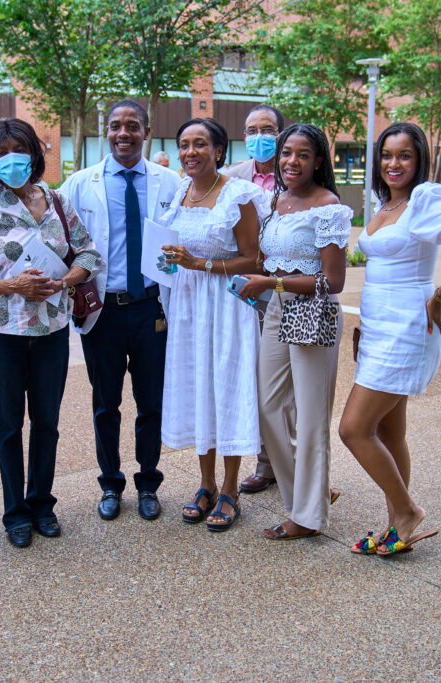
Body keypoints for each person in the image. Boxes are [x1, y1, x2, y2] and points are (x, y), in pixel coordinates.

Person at [338, 122, 441, 555]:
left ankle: (406, 511)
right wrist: (365, 328)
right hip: (378, 327)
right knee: (389, 431)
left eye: (404, 155)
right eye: (386, 155)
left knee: (353, 429)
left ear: (419, 158)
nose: (393, 163)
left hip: (407, 327)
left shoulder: (426, 198)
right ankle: (396, 527)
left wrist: (440, 296)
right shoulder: (386, 203)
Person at [0, 118, 102, 548]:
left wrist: (64, 281)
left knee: (47, 421)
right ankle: (14, 512)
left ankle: (42, 503)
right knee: (8, 424)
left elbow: (89, 253)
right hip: (2, 332)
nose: (10, 160)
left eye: (17, 151)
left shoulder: (56, 201)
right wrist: (12, 286)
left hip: (53, 329)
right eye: (0, 153)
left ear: (34, 154)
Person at [60, 99, 181, 522]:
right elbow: (66, 245)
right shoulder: (79, 184)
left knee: (151, 402)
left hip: (152, 309)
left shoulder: (170, 184)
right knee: (104, 403)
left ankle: (148, 482)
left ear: (146, 132)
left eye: (132, 126)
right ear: (105, 132)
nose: (123, 134)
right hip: (103, 313)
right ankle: (110, 483)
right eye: (115, 126)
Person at [237, 123, 352, 540]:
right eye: (287, 153)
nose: (291, 161)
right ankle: (313, 492)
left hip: (312, 310)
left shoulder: (328, 207)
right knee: (269, 410)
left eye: (303, 154)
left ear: (319, 161)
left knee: (310, 417)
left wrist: (272, 283)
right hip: (275, 309)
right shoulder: (275, 201)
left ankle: (306, 516)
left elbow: (333, 281)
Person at [160, 117, 266, 532]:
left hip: (226, 305)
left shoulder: (237, 195)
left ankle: (230, 488)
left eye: (200, 144)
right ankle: (204, 484)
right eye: (184, 144)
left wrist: (198, 263)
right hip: (187, 306)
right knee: (198, 389)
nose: (190, 152)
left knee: (227, 389)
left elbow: (254, 260)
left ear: (219, 150)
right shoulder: (179, 193)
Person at [223, 103, 289, 496]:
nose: (258, 136)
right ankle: (265, 463)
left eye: (266, 129)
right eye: (250, 130)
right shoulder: (231, 177)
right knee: (251, 379)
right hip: (240, 292)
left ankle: (283, 464)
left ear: (281, 133)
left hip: (282, 291)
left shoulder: (295, 174)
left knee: (282, 384)